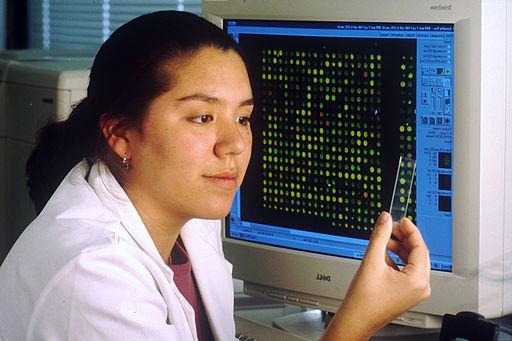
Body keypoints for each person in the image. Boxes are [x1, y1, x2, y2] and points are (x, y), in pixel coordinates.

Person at [0, 10, 430, 341]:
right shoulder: (92, 275)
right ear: (120, 134)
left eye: (243, 118)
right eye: (202, 117)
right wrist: (356, 322)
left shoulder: (189, 218)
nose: (235, 145)